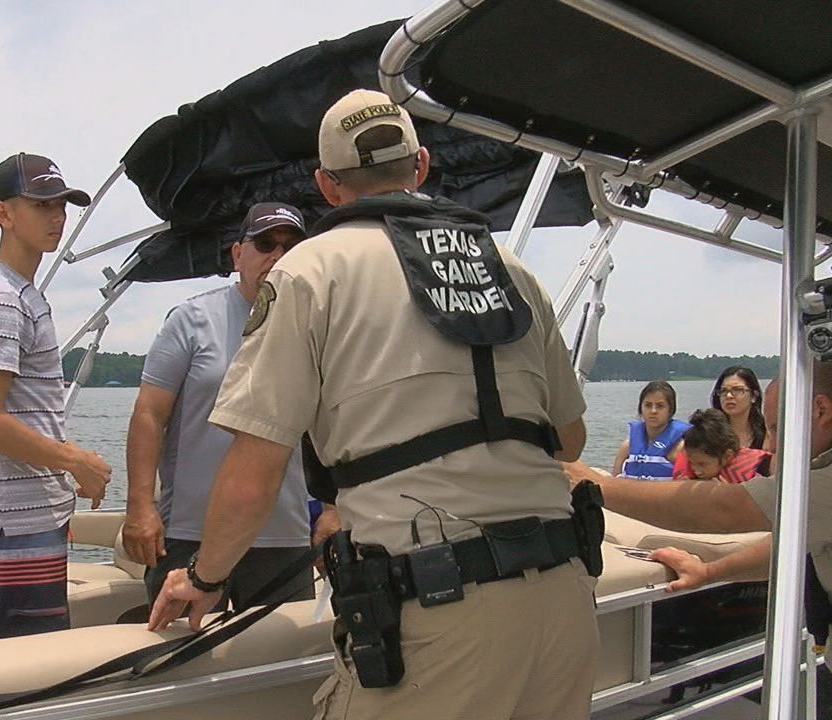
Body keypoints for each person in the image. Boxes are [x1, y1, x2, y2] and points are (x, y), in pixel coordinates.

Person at [148, 89, 597, 720]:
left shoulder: (310, 272)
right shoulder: (511, 268)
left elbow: (255, 472)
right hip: (565, 599)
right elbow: (568, 440)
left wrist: (204, 578)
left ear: (327, 187)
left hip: (436, 614)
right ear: (420, 166)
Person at [566, 362, 832, 716]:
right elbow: (790, 544)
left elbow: (727, 509)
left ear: (820, 410)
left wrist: (598, 485)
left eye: (777, 428)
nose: (774, 444)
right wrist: (711, 572)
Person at [125, 202, 318, 609]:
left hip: (286, 536)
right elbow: (149, 414)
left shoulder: (319, 324)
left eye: (291, 246)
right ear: (237, 254)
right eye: (264, 244)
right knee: (178, 658)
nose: (277, 256)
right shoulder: (190, 320)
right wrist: (141, 506)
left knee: (282, 666)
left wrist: (335, 507)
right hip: (191, 533)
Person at [0, 152, 112, 639]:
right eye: (41, 204)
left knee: (31, 650)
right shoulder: (3, 302)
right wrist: (74, 461)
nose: (57, 217)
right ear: (2, 214)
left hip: (25, 511)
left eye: (62, 205)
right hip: (16, 518)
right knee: (29, 660)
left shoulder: (20, 294)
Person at [613, 379, 689, 479]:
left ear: (670, 410)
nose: (653, 411)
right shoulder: (627, 446)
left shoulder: (680, 448)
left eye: (660, 406)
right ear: (641, 408)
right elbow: (614, 480)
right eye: (648, 405)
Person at [671, 409, 771, 483]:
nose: (696, 470)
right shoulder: (690, 466)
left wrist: (726, 495)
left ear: (727, 456)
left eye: (702, 464)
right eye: (692, 463)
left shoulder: (757, 469)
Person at [711, 366, 767, 449]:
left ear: (754, 396)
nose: (729, 396)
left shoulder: (767, 433)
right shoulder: (709, 433)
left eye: (737, 390)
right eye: (724, 391)